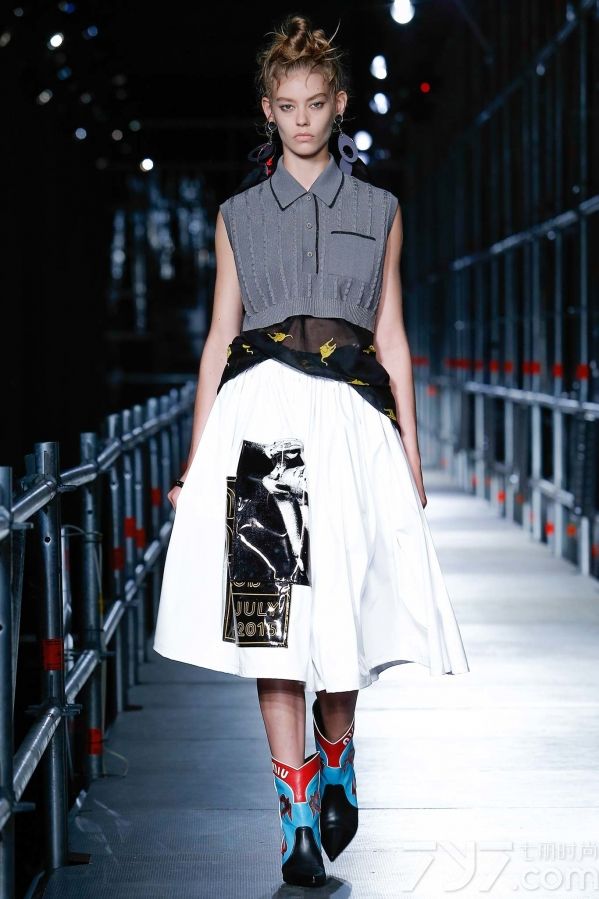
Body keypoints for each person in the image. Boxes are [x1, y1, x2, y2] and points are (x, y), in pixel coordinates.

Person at [153, 13, 470, 889]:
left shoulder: (379, 210)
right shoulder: (236, 216)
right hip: (261, 426)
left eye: (315, 104)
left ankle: (339, 755)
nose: (301, 119)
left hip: (352, 426)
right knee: (273, 623)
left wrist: (410, 455)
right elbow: (219, 341)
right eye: (286, 105)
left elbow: (392, 338)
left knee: (342, 617)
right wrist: (194, 462)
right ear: (267, 108)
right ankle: (294, 814)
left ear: (337, 105)